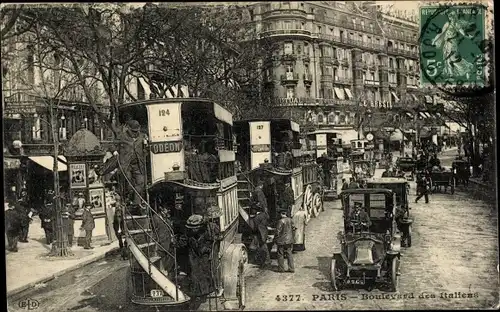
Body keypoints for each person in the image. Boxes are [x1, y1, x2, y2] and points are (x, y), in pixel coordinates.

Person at [96, 120, 148, 207]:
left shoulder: (142, 136)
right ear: (128, 129)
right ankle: (128, 199)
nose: (135, 133)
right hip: (126, 165)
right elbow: (111, 145)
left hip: (138, 164)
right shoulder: (122, 137)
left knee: (141, 182)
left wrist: (146, 145)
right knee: (129, 182)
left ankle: (137, 203)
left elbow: (146, 149)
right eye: (133, 131)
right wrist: (115, 151)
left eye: (137, 131)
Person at [177, 214, 217, 298]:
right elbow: (183, 241)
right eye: (192, 228)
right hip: (193, 253)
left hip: (205, 253)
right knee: (194, 272)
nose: (194, 230)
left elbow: (214, 241)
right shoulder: (188, 232)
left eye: (196, 228)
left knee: (205, 270)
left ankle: (208, 290)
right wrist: (177, 244)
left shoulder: (208, 230)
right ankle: (197, 293)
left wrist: (207, 248)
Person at [152, 207, 174, 275]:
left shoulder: (166, 218)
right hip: (161, 239)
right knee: (161, 255)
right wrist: (156, 239)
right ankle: (162, 270)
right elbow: (154, 229)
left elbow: (169, 226)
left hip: (167, 239)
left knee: (170, 255)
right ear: (162, 210)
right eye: (166, 209)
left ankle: (167, 270)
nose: (167, 211)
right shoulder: (155, 217)